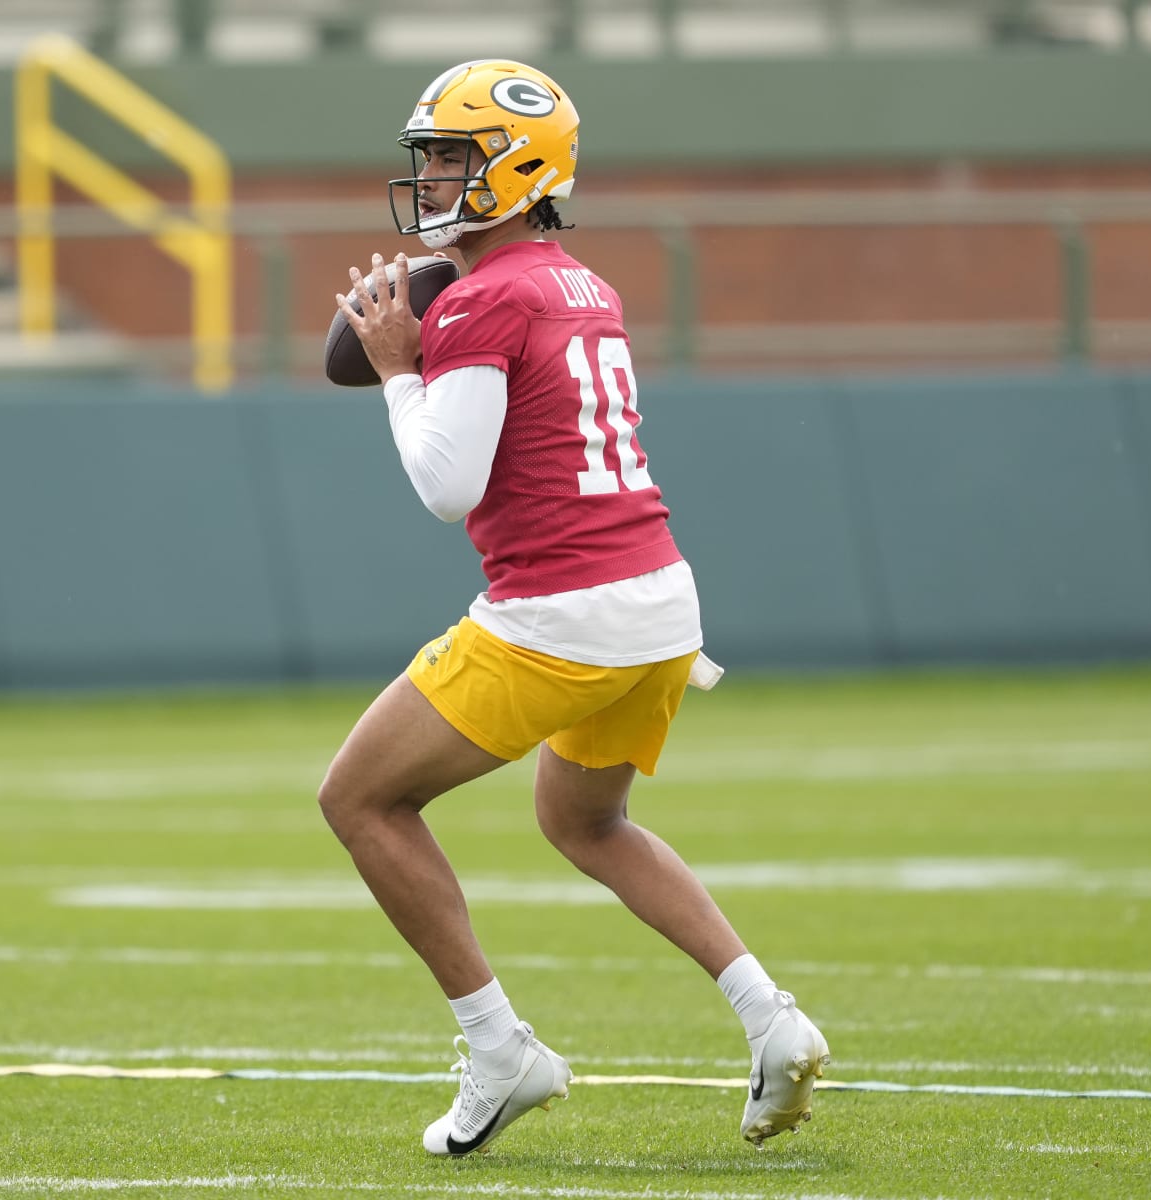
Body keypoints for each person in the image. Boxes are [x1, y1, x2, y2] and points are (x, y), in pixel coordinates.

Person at [322, 58, 829, 1157]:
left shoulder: (488, 295)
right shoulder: (579, 283)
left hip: (562, 611)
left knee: (359, 800)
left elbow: (445, 486)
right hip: (659, 600)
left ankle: (498, 1049)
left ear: (519, 165)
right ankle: (771, 1018)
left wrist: (399, 368)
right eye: (433, 159)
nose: (436, 179)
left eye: (455, 156)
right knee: (584, 821)